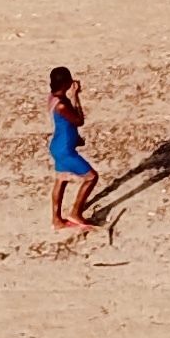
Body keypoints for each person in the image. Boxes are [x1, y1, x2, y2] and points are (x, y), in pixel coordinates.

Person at [48, 66, 100, 230]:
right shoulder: (62, 105)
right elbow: (78, 120)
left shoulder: (53, 98)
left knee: (61, 180)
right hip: (65, 150)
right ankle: (75, 213)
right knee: (91, 177)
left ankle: (57, 220)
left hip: (58, 145)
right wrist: (76, 96)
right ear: (65, 83)